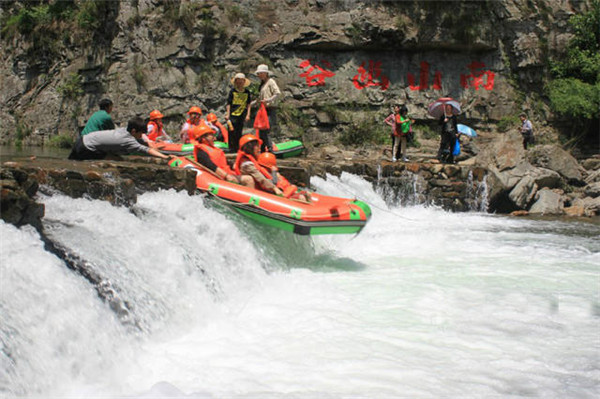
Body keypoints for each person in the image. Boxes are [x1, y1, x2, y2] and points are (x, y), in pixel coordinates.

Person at [68, 117, 172, 161]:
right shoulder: (127, 141)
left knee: (71, 162)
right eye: (140, 134)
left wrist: (155, 148)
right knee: (118, 160)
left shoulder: (124, 130)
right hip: (87, 148)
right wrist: (165, 157)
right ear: (134, 131)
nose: (142, 136)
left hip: (81, 140)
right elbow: (146, 150)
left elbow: (143, 143)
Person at [253, 64, 280, 152]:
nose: (259, 75)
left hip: (270, 109)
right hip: (263, 110)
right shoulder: (262, 84)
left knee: (266, 130)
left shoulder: (271, 81)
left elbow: (277, 93)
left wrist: (268, 100)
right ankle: (263, 149)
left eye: (261, 73)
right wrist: (251, 104)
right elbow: (260, 99)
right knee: (261, 131)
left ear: (265, 73)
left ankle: (270, 149)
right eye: (258, 74)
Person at [225, 73, 252, 153]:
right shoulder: (232, 91)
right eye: (238, 81)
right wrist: (227, 114)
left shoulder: (247, 92)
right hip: (233, 114)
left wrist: (248, 115)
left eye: (241, 81)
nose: (240, 83)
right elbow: (229, 103)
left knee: (239, 132)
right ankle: (231, 148)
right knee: (231, 131)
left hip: (242, 114)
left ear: (244, 82)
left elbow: (249, 104)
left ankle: (238, 148)